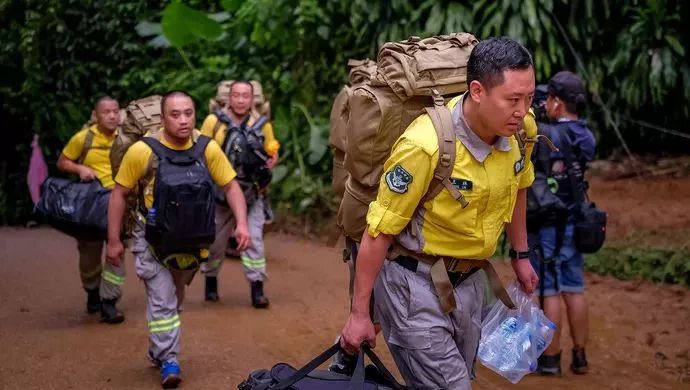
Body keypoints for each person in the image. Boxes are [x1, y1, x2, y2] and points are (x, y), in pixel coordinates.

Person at [339, 37, 540, 389]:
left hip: (471, 284)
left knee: (452, 380)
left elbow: (519, 186)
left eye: (529, 98)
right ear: (477, 91)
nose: (522, 110)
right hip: (412, 284)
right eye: (512, 100)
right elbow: (379, 231)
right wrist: (359, 315)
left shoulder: (521, 132)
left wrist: (521, 255)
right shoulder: (425, 146)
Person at [106, 91, 250, 388]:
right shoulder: (142, 151)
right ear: (162, 118)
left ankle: (159, 345)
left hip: (191, 240)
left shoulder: (206, 148)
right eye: (175, 114)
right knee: (163, 301)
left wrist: (243, 225)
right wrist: (113, 240)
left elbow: (231, 186)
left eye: (188, 113)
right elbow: (119, 194)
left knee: (175, 296)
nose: (183, 120)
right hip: (151, 239)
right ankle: (169, 359)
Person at [528, 71, 595, 376]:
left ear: (556, 102)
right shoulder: (585, 135)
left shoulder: (549, 135)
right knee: (574, 288)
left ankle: (551, 359)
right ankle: (580, 356)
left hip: (549, 223)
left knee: (551, 290)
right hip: (575, 220)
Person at [200, 80, 280, 308]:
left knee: (254, 239)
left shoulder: (261, 123)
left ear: (252, 99)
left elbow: (271, 147)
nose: (241, 100)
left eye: (246, 96)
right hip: (218, 192)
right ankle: (211, 280)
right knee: (215, 242)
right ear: (228, 98)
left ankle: (257, 289)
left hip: (251, 191)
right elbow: (200, 149)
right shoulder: (213, 122)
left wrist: (272, 157)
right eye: (237, 95)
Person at [57, 96, 125, 324]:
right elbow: (62, 161)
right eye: (106, 112)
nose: (112, 116)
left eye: (115, 111)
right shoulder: (83, 138)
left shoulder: (126, 138)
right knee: (89, 254)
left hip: (119, 203)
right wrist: (80, 168)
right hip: (91, 204)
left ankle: (109, 302)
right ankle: (92, 293)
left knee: (117, 251)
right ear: (96, 115)